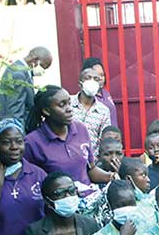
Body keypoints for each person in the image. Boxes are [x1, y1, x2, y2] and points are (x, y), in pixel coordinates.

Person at [24, 86, 115, 217]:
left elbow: (90, 170)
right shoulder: (33, 142)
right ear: (46, 110)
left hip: (89, 207)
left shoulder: (81, 130)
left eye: (69, 103)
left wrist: (110, 177)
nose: (69, 109)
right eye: (62, 105)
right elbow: (32, 185)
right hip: (59, 211)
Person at [0, 46, 52, 124]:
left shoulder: (24, 72)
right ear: (35, 60)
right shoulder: (18, 74)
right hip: (14, 130)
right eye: (43, 67)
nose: (43, 71)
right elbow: (15, 111)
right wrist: (19, 134)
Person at [71, 67, 111, 150]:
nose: (92, 81)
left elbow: (104, 139)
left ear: (100, 85)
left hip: (93, 160)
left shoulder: (103, 110)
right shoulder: (68, 104)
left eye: (96, 79)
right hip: (69, 158)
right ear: (80, 83)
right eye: (87, 78)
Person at [82, 57, 118, 126]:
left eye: (102, 75)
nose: (100, 78)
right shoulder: (87, 97)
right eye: (97, 75)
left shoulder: (105, 93)